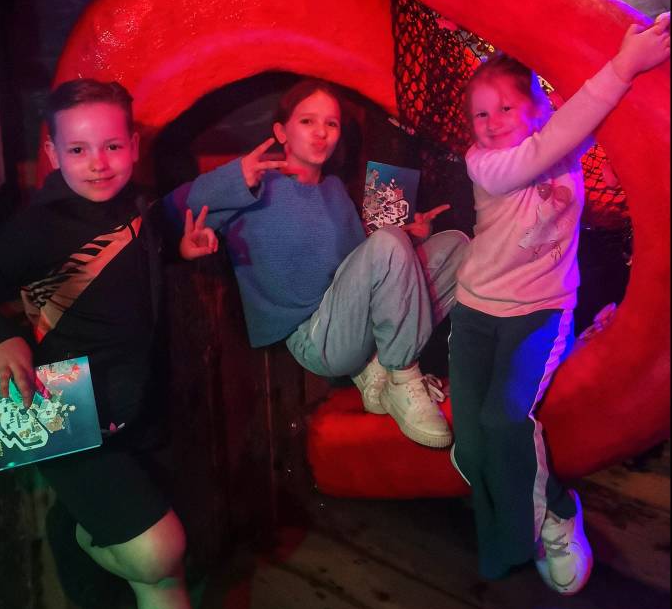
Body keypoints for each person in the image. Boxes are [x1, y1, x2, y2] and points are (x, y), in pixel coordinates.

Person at [0, 79, 213, 609]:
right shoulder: (37, 227)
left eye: (111, 146)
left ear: (133, 145)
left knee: (163, 573)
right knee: (162, 553)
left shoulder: (138, 204)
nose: (98, 163)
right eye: (79, 150)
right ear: (53, 153)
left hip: (135, 408)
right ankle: (78, 537)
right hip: (63, 414)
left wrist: (178, 252)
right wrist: (1, 336)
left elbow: (121, 267)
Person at [448, 12, 670, 594]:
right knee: (469, 447)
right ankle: (518, 525)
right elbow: (542, 149)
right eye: (480, 114)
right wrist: (621, 67)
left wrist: (628, 63)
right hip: (475, 314)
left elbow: (582, 121)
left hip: (539, 314)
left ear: (536, 108)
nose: (491, 123)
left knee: (504, 419)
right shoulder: (485, 164)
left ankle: (555, 514)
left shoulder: (565, 142)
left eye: (505, 107)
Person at [169, 79, 469, 448]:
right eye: (307, 121)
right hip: (316, 339)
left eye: (331, 123)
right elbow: (168, 212)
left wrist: (411, 238)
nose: (321, 133)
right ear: (281, 132)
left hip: (353, 321)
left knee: (456, 246)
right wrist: (232, 178)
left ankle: (379, 367)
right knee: (390, 244)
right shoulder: (255, 184)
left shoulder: (334, 190)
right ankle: (403, 377)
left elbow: (362, 263)